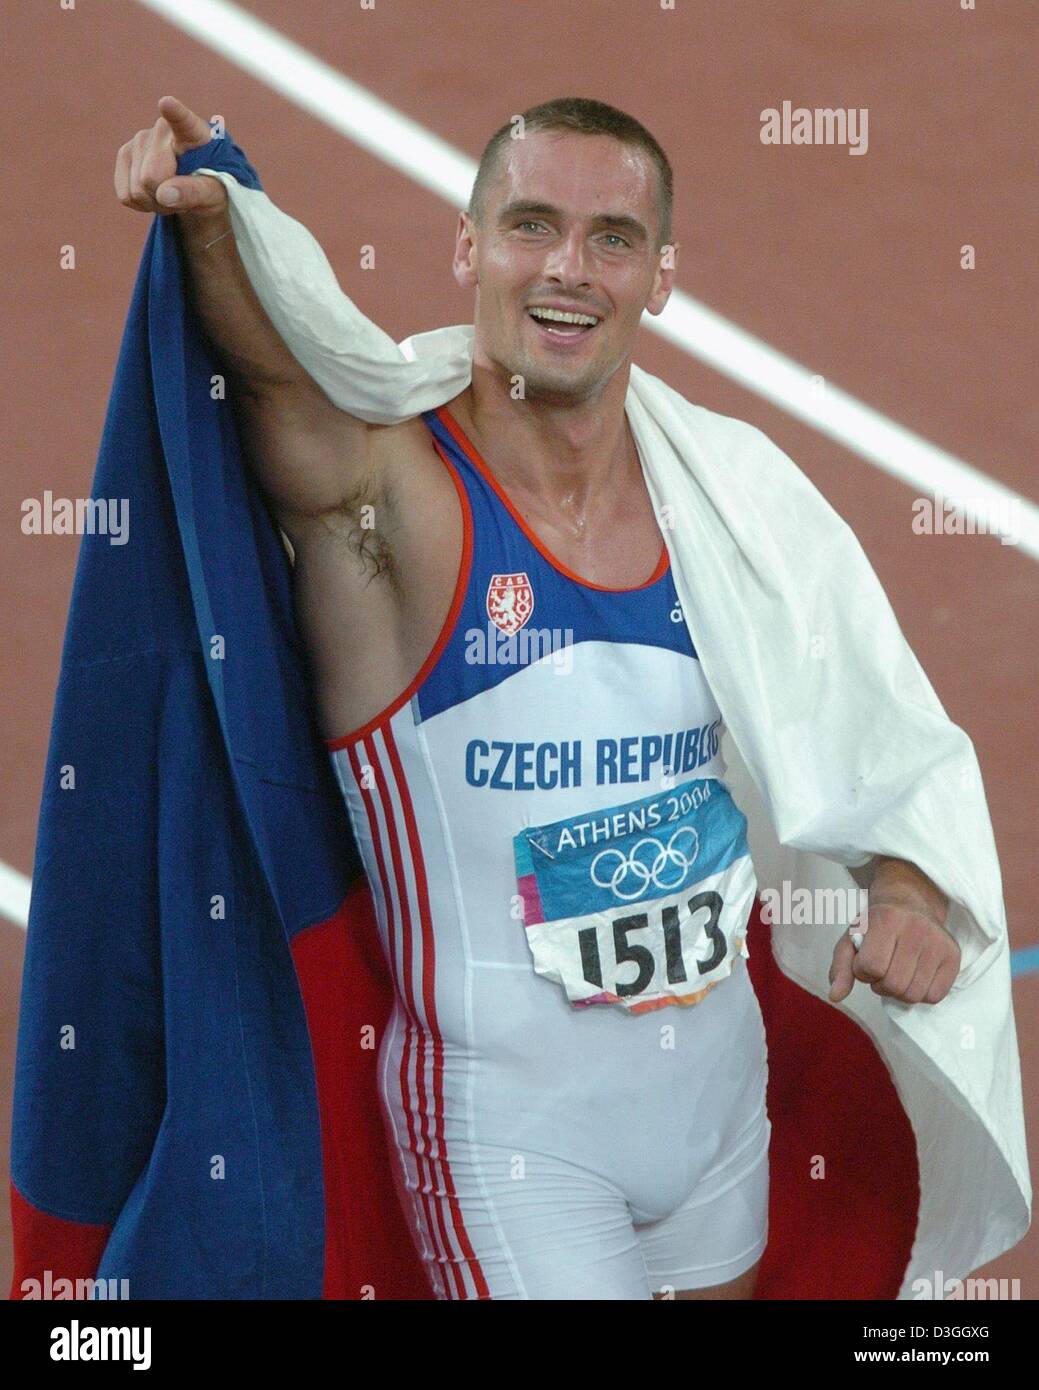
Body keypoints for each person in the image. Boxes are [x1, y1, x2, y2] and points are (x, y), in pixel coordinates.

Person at [113, 94, 959, 1301]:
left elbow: (865, 729)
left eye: (612, 238)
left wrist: (907, 885)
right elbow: (272, 381)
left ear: (660, 278)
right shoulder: (394, 502)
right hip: (512, 1143)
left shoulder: (721, 511)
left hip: (720, 1116)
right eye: (530, 226)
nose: (568, 269)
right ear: (469, 250)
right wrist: (209, 223)